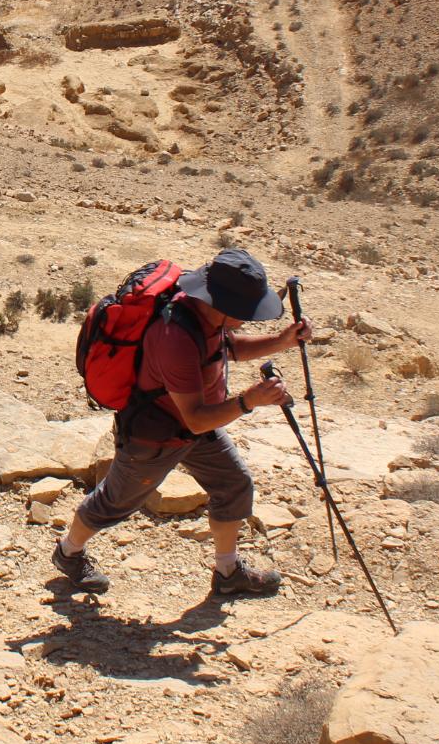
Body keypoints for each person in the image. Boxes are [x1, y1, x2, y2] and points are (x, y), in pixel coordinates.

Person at [52, 249, 312, 598]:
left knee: (234, 485)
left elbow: (228, 348)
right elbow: (195, 416)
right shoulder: (174, 337)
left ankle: (227, 572)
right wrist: (249, 401)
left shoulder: (208, 318)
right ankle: (68, 553)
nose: (249, 319)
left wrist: (281, 342)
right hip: (156, 436)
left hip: (197, 427)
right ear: (222, 305)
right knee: (113, 503)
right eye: (245, 313)